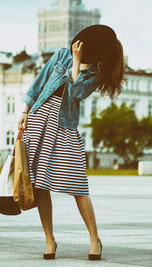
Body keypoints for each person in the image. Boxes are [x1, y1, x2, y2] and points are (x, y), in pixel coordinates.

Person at [17, 24, 127, 260]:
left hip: (64, 126)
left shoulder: (95, 73)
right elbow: (38, 84)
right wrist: (25, 112)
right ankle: (50, 240)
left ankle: (94, 239)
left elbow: (77, 92)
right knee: (39, 185)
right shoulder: (60, 55)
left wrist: (77, 63)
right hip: (39, 118)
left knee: (78, 185)